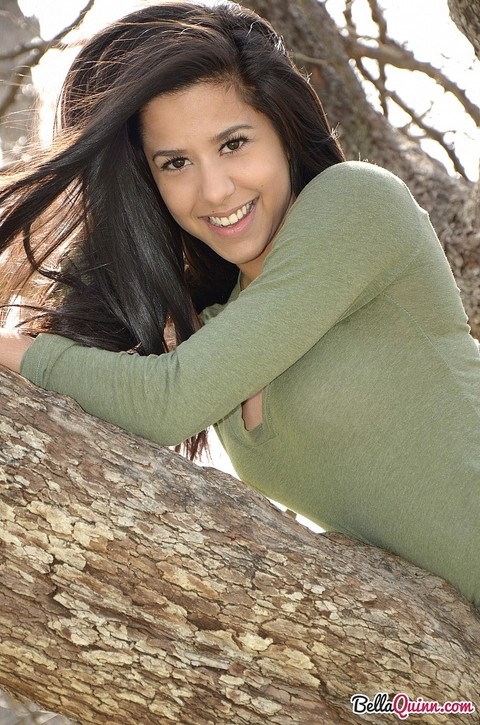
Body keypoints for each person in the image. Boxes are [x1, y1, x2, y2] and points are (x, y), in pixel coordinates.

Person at [0, 2, 479, 608]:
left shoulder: (357, 202)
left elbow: (169, 401)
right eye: (176, 163)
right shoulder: (217, 327)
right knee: (381, 711)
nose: (215, 189)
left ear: (281, 129)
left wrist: (11, 350)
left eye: (232, 143)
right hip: (447, 683)